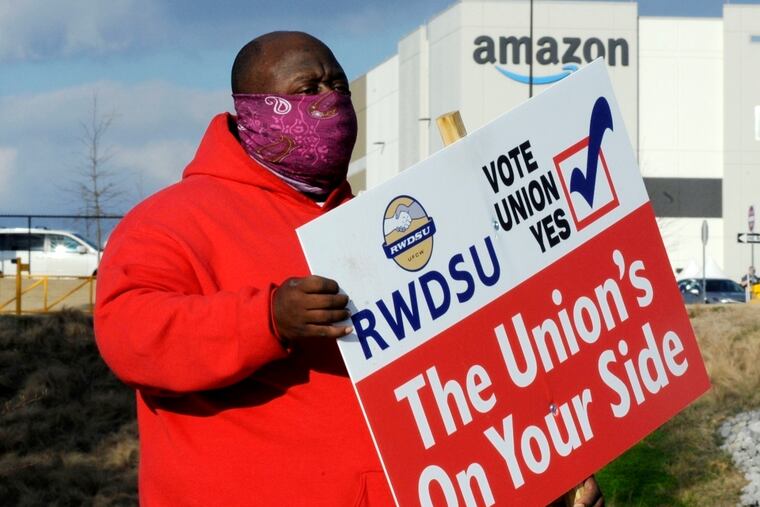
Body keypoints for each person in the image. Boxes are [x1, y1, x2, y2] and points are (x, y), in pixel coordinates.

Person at [94, 31, 603, 506]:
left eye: (338, 85)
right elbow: (130, 335)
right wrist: (266, 319)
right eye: (307, 87)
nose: (331, 99)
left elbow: (460, 380)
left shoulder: (377, 224)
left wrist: (544, 470)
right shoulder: (171, 220)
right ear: (252, 110)